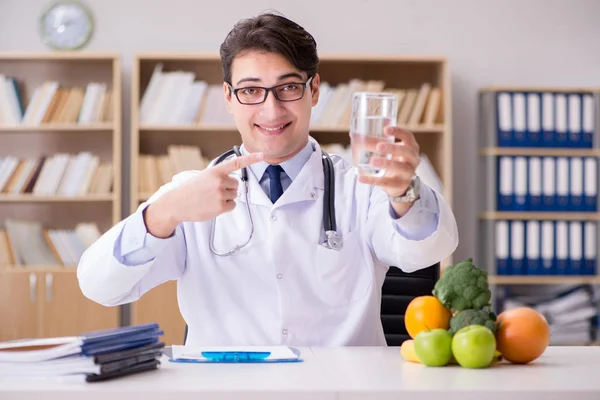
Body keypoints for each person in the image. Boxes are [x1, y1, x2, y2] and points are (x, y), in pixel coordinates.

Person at [77, 12, 459, 347]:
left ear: (313, 90)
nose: (271, 108)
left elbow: (425, 251)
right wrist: (162, 214)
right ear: (228, 98)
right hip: (227, 390)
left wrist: (405, 193)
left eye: (288, 87)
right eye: (251, 90)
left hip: (339, 391)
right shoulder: (188, 194)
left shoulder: (361, 188)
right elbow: (100, 286)